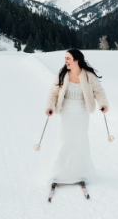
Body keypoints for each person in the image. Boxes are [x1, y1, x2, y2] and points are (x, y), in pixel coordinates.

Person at [43, 49, 108, 185]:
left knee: (80, 141)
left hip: (82, 113)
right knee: (64, 141)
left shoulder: (88, 75)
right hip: (65, 113)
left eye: (68, 58)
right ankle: (59, 173)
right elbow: (53, 92)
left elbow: (98, 91)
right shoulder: (62, 74)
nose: (65, 61)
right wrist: (50, 106)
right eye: (65, 58)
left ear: (76, 60)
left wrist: (102, 104)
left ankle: (80, 173)